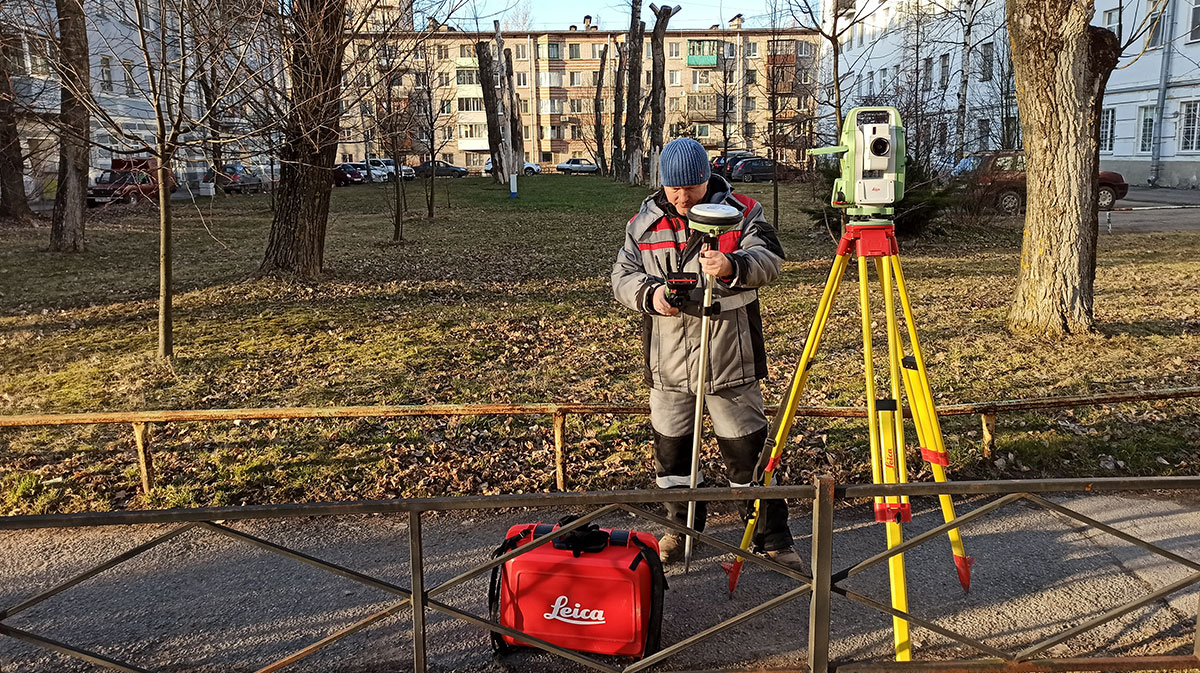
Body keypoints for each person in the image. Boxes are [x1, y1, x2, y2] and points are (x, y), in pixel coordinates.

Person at [611, 137, 803, 570]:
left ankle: (771, 538)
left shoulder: (744, 211)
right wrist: (650, 294)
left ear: (706, 178)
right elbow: (622, 274)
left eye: (690, 188)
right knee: (672, 457)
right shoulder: (643, 223)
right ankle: (682, 529)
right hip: (668, 362)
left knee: (747, 454)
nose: (682, 198)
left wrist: (735, 266)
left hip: (729, 357)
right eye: (673, 189)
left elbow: (771, 258)